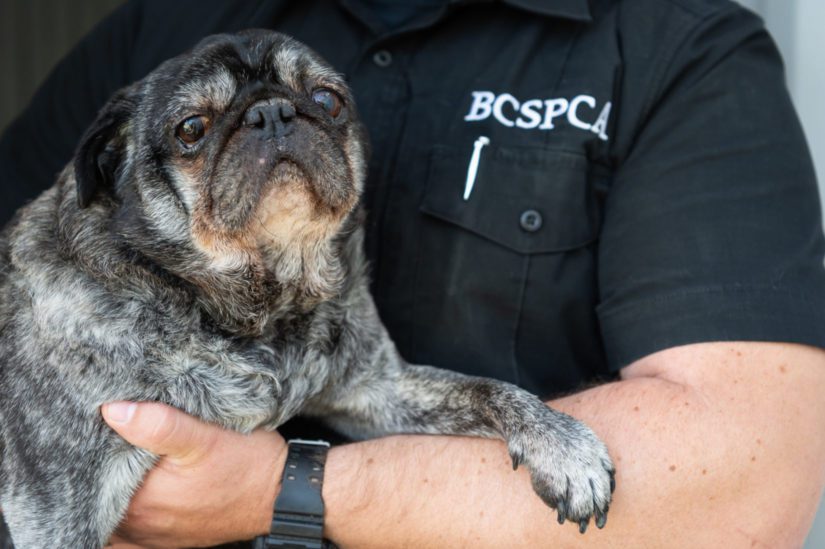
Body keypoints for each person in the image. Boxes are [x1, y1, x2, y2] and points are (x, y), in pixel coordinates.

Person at [2, 0, 825, 547]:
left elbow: (754, 482)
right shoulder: (165, 22)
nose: (273, 127)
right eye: (195, 131)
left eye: (317, 106)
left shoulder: (674, 47)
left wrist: (276, 489)